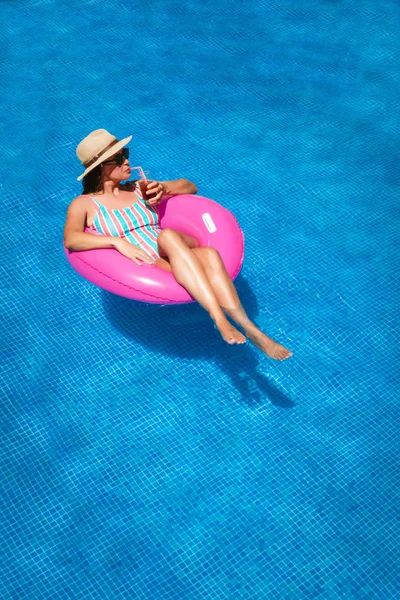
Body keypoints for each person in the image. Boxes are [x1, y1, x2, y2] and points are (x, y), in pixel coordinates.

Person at [64, 129, 292, 360]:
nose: (128, 161)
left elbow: (190, 187)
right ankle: (247, 328)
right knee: (211, 255)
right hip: (156, 260)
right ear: (102, 167)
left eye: (126, 153)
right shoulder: (85, 204)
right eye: (120, 158)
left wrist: (163, 189)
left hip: (172, 242)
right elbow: (72, 239)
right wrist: (115, 242)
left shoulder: (137, 188)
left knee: (168, 236)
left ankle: (225, 321)